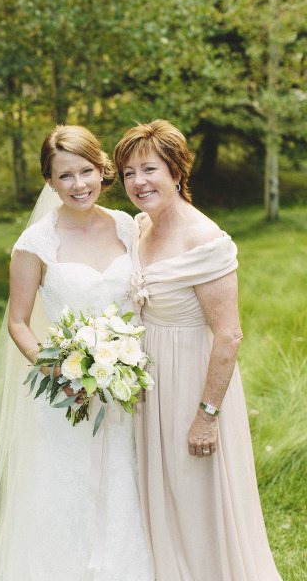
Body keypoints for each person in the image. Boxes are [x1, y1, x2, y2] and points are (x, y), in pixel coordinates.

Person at [0, 125, 154, 581]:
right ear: (49, 181)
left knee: (124, 482)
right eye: (65, 175)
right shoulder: (35, 244)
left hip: (126, 390)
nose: (78, 184)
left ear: (102, 169)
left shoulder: (127, 226)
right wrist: (60, 373)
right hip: (68, 395)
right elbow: (18, 322)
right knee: (65, 490)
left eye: (86, 171)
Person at [114, 119, 282, 581]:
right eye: (129, 173)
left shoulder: (204, 238)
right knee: (161, 490)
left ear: (176, 171)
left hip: (192, 382)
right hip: (150, 383)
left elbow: (229, 334)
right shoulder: (142, 227)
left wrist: (207, 415)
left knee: (195, 494)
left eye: (149, 169)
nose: (139, 182)